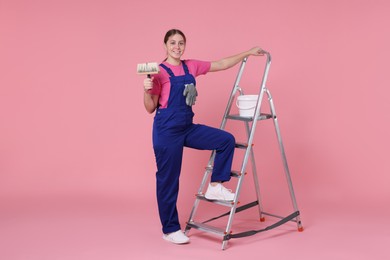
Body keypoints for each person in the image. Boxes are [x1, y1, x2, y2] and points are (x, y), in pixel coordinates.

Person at [143, 29, 264, 244]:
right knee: (168, 181)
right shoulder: (158, 72)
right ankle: (170, 230)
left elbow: (222, 64)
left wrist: (247, 52)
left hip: (186, 127)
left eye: (181, 43)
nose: (177, 47)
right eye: (172, 43)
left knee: (225, 140)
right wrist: (146, 90)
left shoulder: (191, 66)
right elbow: (150, 108)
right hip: (166, 131)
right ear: (165, 45)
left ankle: (215, 185)